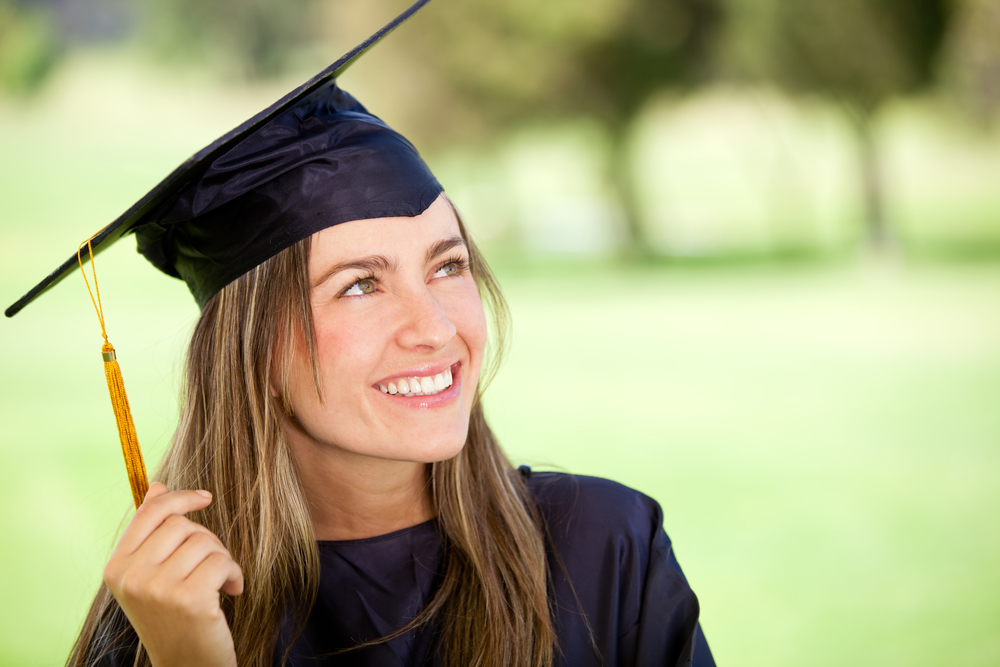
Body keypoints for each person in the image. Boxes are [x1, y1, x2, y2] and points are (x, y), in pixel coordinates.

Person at [6, 3, 715, 666]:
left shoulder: (605, 551)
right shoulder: (163, 614)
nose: (435, 328)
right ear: (249, 348)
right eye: (361, 284)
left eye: (448, 265)